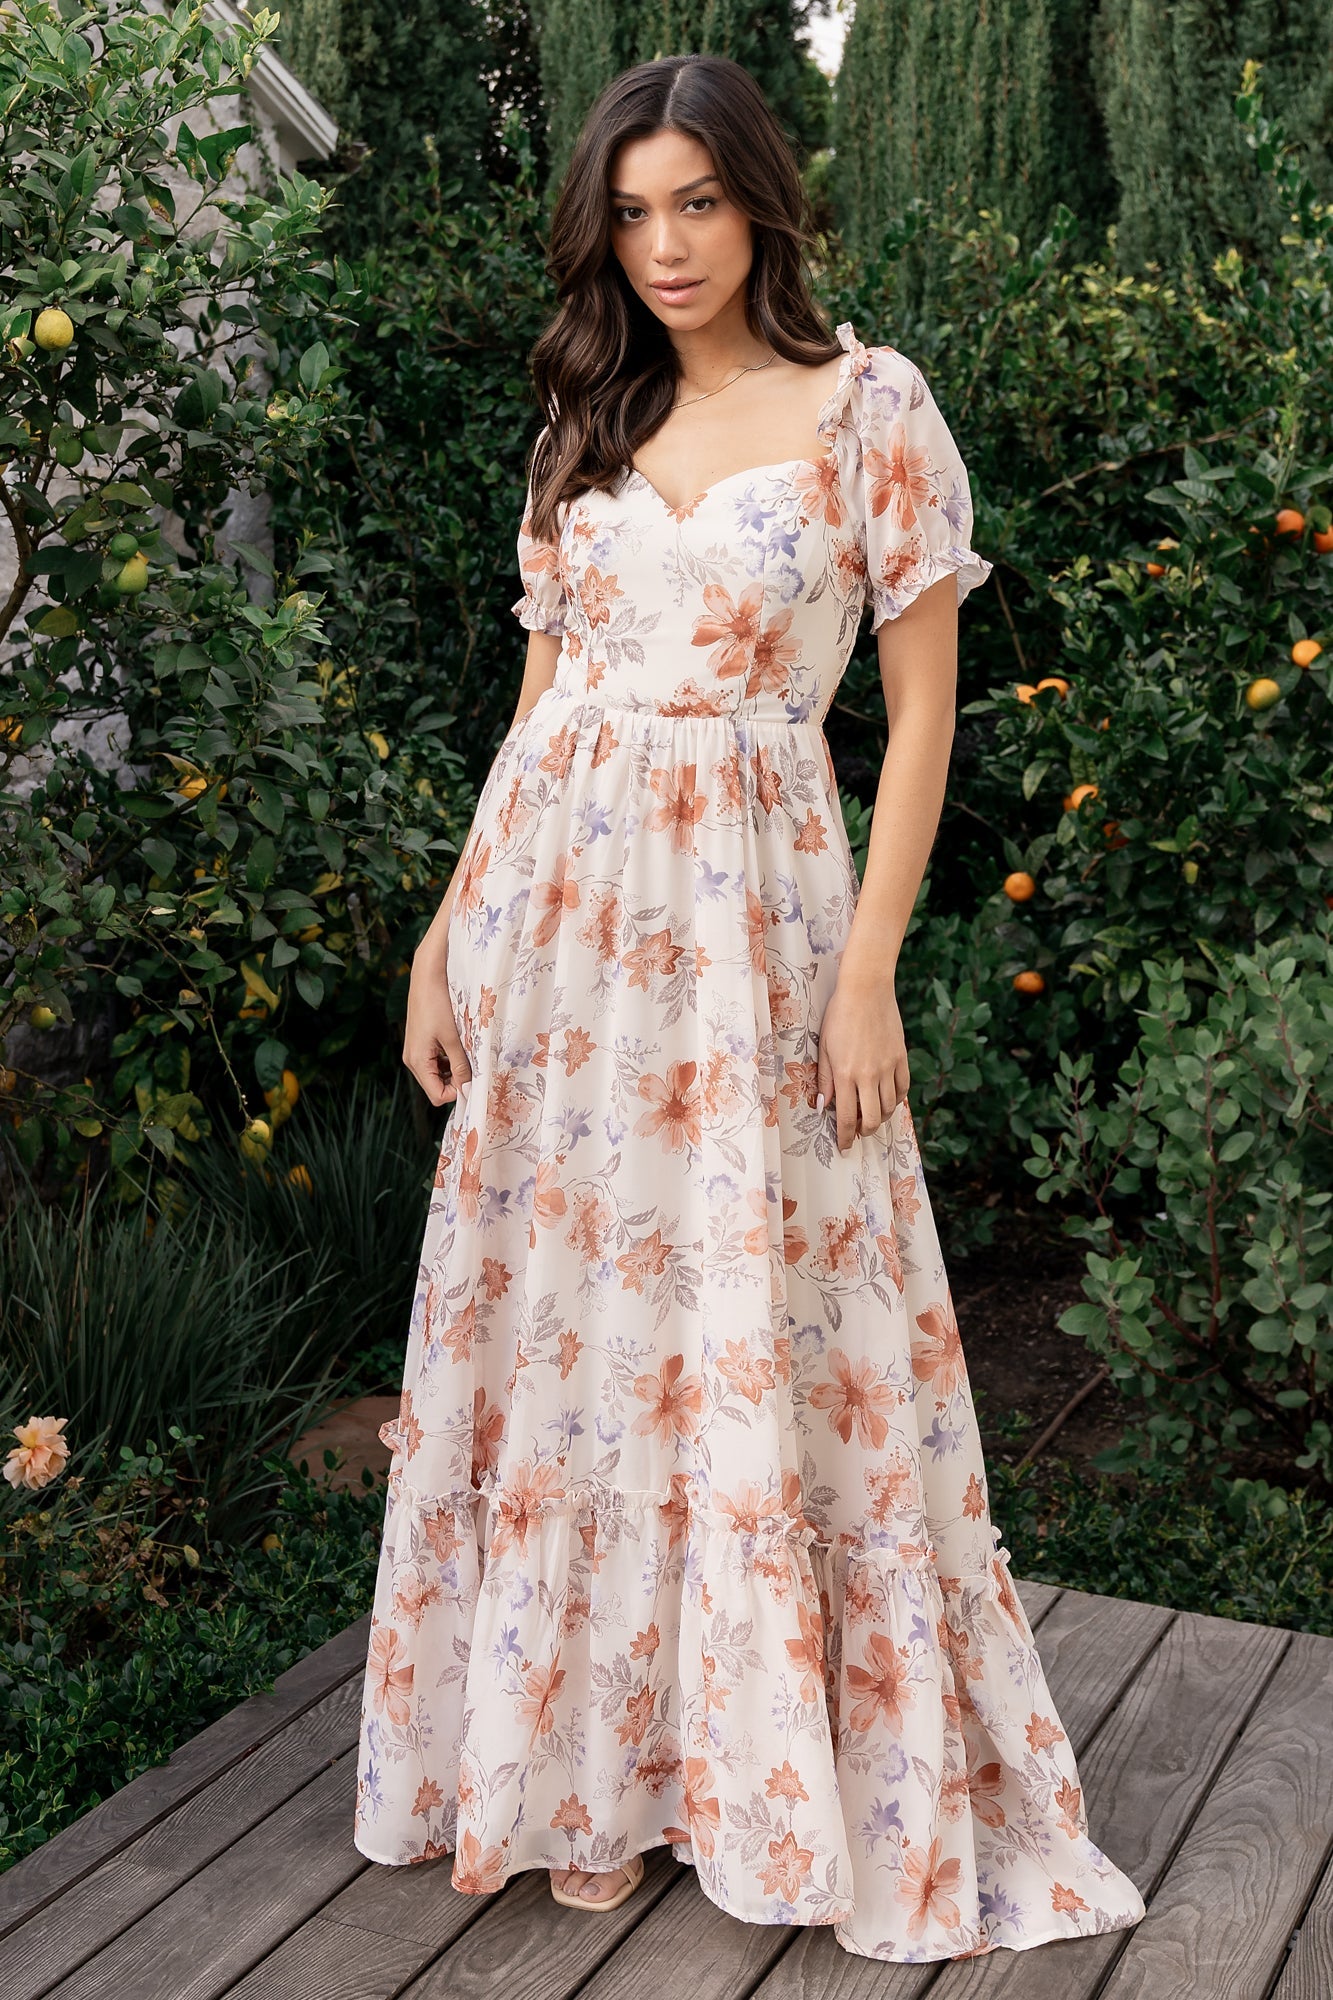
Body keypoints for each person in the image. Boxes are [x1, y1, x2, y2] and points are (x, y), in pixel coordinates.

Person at [352, 51, 1147, 1963]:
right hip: (561, 930)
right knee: (582, 1326)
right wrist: (446, 931)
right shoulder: (579, 422)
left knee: (758, 1318)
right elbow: (541, 708)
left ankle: (770, 1767)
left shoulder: (867, 406)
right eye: (630, 212)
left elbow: (926, 713)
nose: (663, 245)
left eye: (694, 201)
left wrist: (868, 966)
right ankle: (586, 1768)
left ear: (761, 201)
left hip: (758, 932)